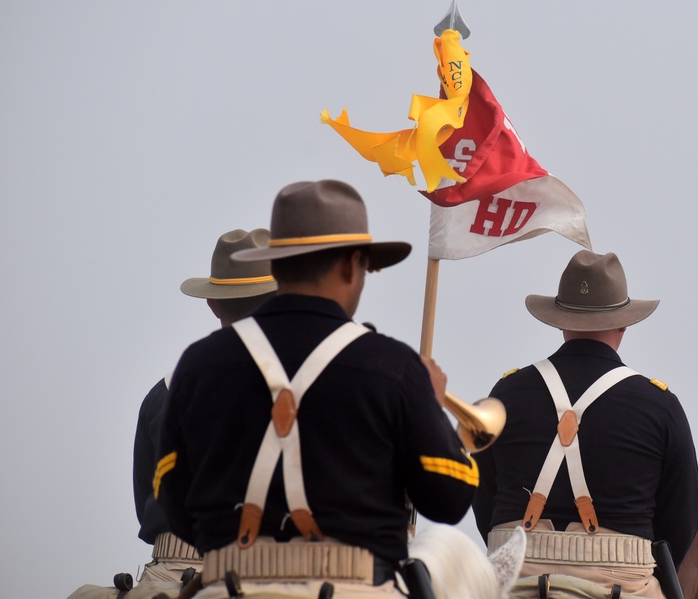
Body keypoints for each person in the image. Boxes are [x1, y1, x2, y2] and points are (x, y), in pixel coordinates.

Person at [155, 180, 477, 598]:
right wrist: (431, 410)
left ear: (275, 265)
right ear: (351, 265)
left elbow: (172, 500)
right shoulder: (393, 366)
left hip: (225, 585)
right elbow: (448, 500)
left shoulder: (199, 364)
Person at [472, 250, 698, 599]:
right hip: (620, 582)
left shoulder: (506, 393)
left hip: (513, 578)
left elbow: (484, 501)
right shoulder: (659, 405)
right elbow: (679, 522)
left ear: (560, 320)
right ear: (625, 323)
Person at [70, 230, 277, 599]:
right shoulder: (312, 388)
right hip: (272, 572)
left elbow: (146, 496)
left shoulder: (164, 391)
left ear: (212, 303)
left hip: (167, 572)